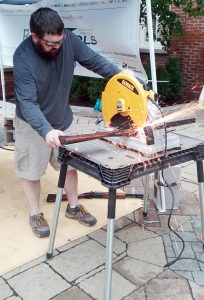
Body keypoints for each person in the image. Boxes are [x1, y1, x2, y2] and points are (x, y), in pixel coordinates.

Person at [13, 7, 121, 238]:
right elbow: (28, 103)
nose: (58, 47)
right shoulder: (22, 58)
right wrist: (45, 130)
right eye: (51, 44)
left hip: (63, 117)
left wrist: (121, 78)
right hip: (32, 124)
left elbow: (95, 61)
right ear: (35, 37)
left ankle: (73, 207)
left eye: (60, 41)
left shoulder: (68, 40)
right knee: (31, 171)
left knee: (70, 166)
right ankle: (35, 213)